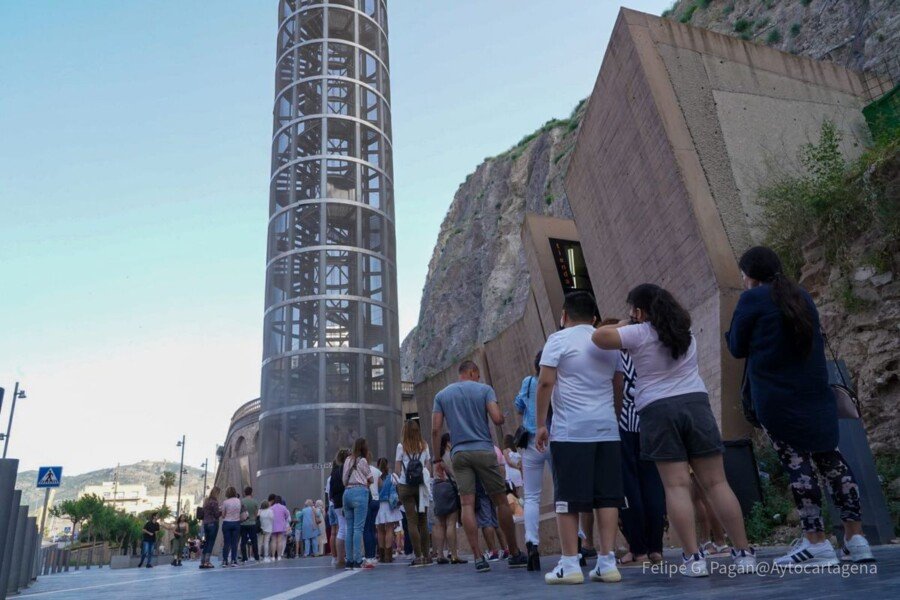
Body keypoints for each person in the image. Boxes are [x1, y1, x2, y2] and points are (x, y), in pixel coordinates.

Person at [593, 283, 756, 577]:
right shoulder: (686, 333)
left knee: (676, 486)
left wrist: (629, 320)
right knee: (717, 483)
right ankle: (743, 552)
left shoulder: (639, 332)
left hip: (657, 409)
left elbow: (599, 336)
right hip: (696, 404)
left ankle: (694, 559)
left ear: (640, 311)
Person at [727, 246, 874, 566]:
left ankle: (816, 542)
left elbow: (736, 346)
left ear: (749, 275)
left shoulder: (751, 299)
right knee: (832, 462)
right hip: (816, 396)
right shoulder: (801, 295)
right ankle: (856, 539)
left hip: (779, 400)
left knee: (799, 466)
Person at [534, 291, 622, 585]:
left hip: (571, 432)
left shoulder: (558, 340)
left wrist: (540, 424)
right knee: (607, 497)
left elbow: (546, 381)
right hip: (607, 429)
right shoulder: (607, 341)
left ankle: (570, 563)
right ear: (595, 317)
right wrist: (614, 416)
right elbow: (618, 382)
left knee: (567, 499)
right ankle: (607, 562)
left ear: (564, 315)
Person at [431, 360, 527, 573]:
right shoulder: (484, 390)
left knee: (467, 505)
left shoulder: (442, 395)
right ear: (473, 372)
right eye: (477, 375)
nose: (479, 379)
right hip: (484, 450)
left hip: (460, 454)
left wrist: (437, 460)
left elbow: (436, 430)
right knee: (501, 501)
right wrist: (501, 417)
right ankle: (514, 552)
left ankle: (478, 558)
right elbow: (496, 418)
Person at [612, 334, 666, 566]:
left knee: (629, 489)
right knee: (653, 485)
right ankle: (656, 548)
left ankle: (639, 549)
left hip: (622, 426)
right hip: (648, 424)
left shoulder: (614, 360)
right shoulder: (644, 357)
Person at [514, 350, 551, 571]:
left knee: (531, 496)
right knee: (564, 491)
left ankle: (532, 544)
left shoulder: (528, 382)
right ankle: (577, 541)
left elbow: (518, 406)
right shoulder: (557, 380)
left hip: (530, 443)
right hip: (555, 438)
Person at [395, 419, 432, 567]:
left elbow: (397, 470)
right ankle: (427, 555)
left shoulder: (401, 446)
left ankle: (418, 556)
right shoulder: (424, 445)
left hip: (405, 486)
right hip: (421, 487)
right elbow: (428, 464)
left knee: (411, 521)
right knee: (423, 521)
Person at [431, 433, 466, 565]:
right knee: (451, 522)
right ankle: (454, 555)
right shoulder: (450, 454)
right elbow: (454, 472)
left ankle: (440, 554)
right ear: (447, 442)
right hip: (449, 487)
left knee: (440, 524)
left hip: (436, 487)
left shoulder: (435, 456)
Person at [343, 437, 374, 570]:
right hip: (360, 492)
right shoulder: (362, 461)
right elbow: (371, 478)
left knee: (349, 528)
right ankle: (357, 559)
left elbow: (344, 479)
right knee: (358, 528)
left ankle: (349, 560)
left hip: (347, 493)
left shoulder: (347, 460)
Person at [375, 457, 401, 563]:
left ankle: (381, 555)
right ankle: (388, 556)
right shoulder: (392, 477)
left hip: (378, 505)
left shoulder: (376, 477)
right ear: (387, 466)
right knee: (390, 529)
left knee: (380, 530)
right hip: (389, 505)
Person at [328, 448, 350, 568]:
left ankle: (340, 558)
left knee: (341, 529)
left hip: (336, 503)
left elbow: (331, 492)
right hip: (346, 500)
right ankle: (350, 556)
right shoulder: (346, 470)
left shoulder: (334, 473)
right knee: (349, 528)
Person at [363, 458, 383, 566]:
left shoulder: (361, 470)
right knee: (372, 528)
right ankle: (373, 555)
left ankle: (368, 555)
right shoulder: (375, 470)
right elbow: (381, 484)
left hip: (367, 500)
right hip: (376, 500)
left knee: (366, 529)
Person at [221, 486, 243, 567]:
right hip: (236, 523)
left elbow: (223, 515)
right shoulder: (238, 501)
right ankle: (234, 560)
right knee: (234, 543)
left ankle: (225, 560)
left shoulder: (225, 502)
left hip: (227, 523)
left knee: (226, 543)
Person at [200, 487, 221, 569]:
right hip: (213, 523)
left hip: (205, 524)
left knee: (206, 542)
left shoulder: (206, 501)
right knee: (211, 542)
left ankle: (202, 561)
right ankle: (207, 562)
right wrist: (221, 511)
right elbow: (216, 515)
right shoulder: (214, 502)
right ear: (217, 493)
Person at [240, 486, 260, 563]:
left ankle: (244, 557)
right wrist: (253, 518)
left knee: (243, 541)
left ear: (245, 493)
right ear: (251, 492)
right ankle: (256, 557)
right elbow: (256, 513)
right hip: (252, 523)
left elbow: (240, 512)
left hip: (243, 524)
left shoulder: (241, 501)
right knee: (254, 541)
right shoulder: (254, 502)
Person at [269, 494, 291, 561]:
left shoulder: (271, 508)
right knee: (280, 541)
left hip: (273, 526)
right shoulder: (283, 507)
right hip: (281, 526)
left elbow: (269, 517)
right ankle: (279, 556)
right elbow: (287, 516)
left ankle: (272, 556)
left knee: (273, 541)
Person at [502, 434, 524, 499]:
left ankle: (517, 507)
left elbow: (509, 462)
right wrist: (520, 470)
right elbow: (520, 463)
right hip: (518, 473)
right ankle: (520, 506)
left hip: (510, 474)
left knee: (512, 494)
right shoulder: (516, 451)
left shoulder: (505, 451)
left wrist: (518, 467)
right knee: (517, 492)